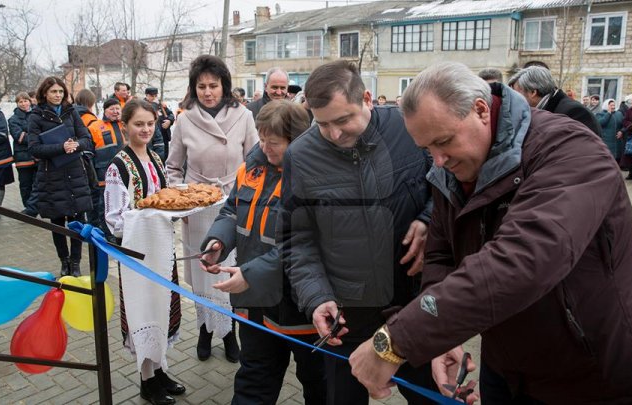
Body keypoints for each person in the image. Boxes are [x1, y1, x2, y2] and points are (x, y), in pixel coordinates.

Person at [349, 61, 632, 404]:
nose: (438, 160)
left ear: (480, 110)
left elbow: (522, 260)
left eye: (444, 141)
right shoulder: (452, 169)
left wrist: (395, 340)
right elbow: (442, 254)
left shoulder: (570, 150)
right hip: (505, 369)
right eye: (427, 149)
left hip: (592, 374)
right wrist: (443, 336)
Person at [279, 60, 435, 405]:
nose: (335, 134)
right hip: (347, 317)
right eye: (322, 124)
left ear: (367, 98)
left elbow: (444, 185)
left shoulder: (407, 127)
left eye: (343, 119)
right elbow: (296, 239)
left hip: (413, 305)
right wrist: (317, 296)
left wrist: (427, 218)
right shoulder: (300, 157)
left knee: (431, 396)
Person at [200, 100, 325, 405]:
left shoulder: (316, 179)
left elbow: (305, 244)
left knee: (319, 383)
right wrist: (218, 241)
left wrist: (252, 275)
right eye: (262, 139)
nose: (266, 148)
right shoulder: (251, 169)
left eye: (275, 142)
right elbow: (232, 211)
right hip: (255, 303)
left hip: (300, 308)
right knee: (254, 381)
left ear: (297, 140)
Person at [166, 54, 258, 363]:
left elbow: (255, 161)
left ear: (224, 86)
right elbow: (174, 167)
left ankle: (229, 331)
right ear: (194, 88)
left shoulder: (243, 116)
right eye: (201, 86)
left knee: (229, 269)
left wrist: (248, 196)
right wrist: (182, 197)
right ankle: (205, 330)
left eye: (213, 86)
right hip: (198, 207)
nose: (208, 92)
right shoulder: (184, 118)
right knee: (204, 273)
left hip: (233, 204)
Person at [104, 99, 186, 405]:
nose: (146, 129)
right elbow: (114, 218)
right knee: (144, 311)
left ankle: (160, 369)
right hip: (137, 253)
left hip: (162, 247)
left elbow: (164, 198)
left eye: (150, 124)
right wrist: (150, 214)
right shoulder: (119, 166)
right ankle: (146, 380)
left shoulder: (155, 157)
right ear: (125, 126)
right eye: (139, 124)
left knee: (162, 307)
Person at [27, 76, 93, 277]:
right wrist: (61, 148)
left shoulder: (71, 112)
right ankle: (63, 261)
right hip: (51, 176)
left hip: (75, 173)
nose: (57, 95)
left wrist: (76, 145)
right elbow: (34, 148)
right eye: (53, 92)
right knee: (57, 222)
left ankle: (75, 262)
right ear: (45, 93)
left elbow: (86, 138)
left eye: (61, 92)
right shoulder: (36, 116)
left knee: (77, 220)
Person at [508, 66, 601, 136]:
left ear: (533, 92)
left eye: (516, 94)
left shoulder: (574, 113)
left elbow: (587, 153)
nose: (513, 100)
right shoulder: (541, 110)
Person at [86, 98, 126, 235]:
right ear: (105, 111)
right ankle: (106, 233)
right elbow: (88, 153)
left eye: (117, 109)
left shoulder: (126, 125)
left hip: (124, 171)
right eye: (112, 109)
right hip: (103, 172)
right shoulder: (94, 127)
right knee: (105, 204)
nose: (115, 112)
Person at [8, 92, 38, 217]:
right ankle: (28, 207)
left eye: (25, 100)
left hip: (37, 156)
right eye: (20, 101)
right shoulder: (13, 119)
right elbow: (18, 136)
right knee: (25, 184)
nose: (24, 103)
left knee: (38, 183)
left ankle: (35, 207)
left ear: (30, 101)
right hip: (23, 157)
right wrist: (36, 137)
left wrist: (30, 135)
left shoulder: (36, 115)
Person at [144, 87, 171, 161]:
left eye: (155, 96)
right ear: (147, 95)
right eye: (152, 96)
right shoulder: (144, 105)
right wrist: (155, 104)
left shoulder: (161, 104)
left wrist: (169, 121)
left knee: (164, 158)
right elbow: (151, 113)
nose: (154, 98)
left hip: (163, 136)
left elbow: (170, 114)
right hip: (152, 138)